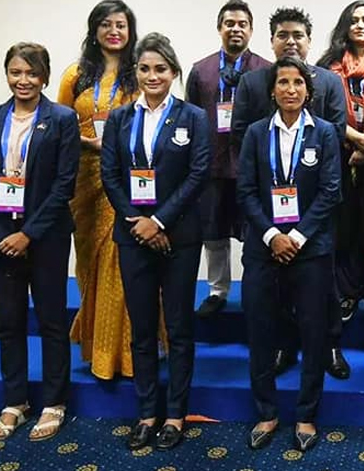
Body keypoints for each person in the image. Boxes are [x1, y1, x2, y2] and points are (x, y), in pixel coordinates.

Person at [101, 33, 211, 451]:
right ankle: (147, 413)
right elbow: (110, 174)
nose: (152, 76)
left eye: (160, 69)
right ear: (136, 72)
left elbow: (198, 174)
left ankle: (176, 414)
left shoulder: (193, 117)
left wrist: (160, 221)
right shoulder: (119, 119)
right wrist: (138, 222)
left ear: (174, 72)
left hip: (179, 237)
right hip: (133, 236)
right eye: (145, 68)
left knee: (179, 328)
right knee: (143, 329)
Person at [230, 6, 349, 379]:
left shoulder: (329, 81)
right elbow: (240, 134)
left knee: (323, 282)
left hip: (315, 203)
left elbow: (337, 132)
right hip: (268, 205)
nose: (291, 41)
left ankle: (330, 344)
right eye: (283, 35)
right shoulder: (253, 82)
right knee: (275, 286)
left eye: (298, 35)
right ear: (272, 41)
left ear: (309, 41)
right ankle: (284, 345)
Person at [237, 57, 342, 453]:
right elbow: (246, 190)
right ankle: (266, 412)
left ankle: (306, 415)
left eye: (298, 82)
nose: (291, 89)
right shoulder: (255, 133)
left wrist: (296, 236)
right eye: (283, 82)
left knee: (313, 333)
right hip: (264, 249)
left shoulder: (325, 133)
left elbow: (331, 191)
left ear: (308, 91)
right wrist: (271, 236)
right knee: (260, 329)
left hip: (311, 249)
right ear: (272, 90)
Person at [0, 43, 79, 442]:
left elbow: (64, 185)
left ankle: (54, 402)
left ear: (45, 76)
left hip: (46, 237)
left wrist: (28, 234)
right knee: (9, 322)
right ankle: (15, 402)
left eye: (31, 73)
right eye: (16, 72)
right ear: (7, 74)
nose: (23, 80)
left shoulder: (62, 120)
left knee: (52, 321)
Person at [58, 0, 142, 380]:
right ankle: (96, 345)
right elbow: (59, 126)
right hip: (85, 181)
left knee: (121, 262)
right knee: (91, 261)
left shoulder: (139, 73)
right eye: (106, 24)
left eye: (120, 25)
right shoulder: (75, 75)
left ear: (130, 31)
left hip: (126, 179)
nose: (113, 31)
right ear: (94, 30)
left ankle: (123, 352)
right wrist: (88, 142)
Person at [187, 0, 271, 318]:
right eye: (230, 24)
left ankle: (254, 289)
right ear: (219, 28)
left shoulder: (266, 70)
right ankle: (217, 291)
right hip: (212, 165)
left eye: (242, 24)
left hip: (253, 168)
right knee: (214, 232)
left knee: (254, 232)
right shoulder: (201, 70)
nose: (236, 29)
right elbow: (191, 116)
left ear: (251, 30)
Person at [317, 0, 364, 323]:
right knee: (343, 226)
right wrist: (353, 139)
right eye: (354, 20)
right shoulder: (327, 66)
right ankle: (345, 292)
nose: (360, 25)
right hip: (337, 152)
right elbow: (320, 111)